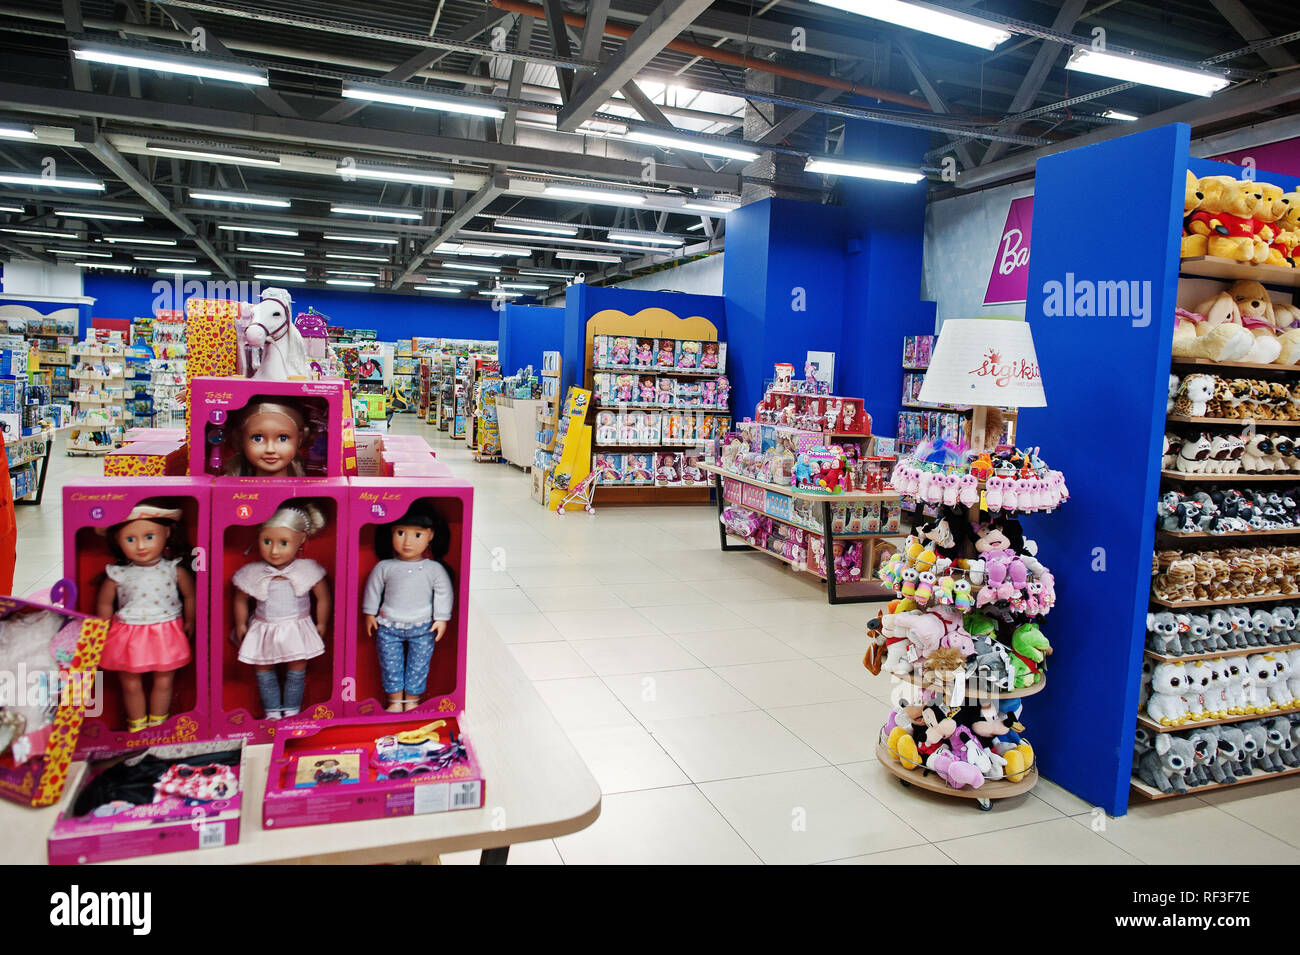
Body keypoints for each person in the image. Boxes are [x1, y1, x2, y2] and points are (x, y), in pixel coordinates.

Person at [95, 503, 195, 733]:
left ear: (166, 533)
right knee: (130, 683)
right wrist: (102, 628)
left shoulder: (173, 569)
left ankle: (158, 723)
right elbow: (104, 603)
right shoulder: (118, 573)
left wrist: (190, 620)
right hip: (128, 633)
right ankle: (137, 726)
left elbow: (190, 596)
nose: (140, 546)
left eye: (149, 536)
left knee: (164, 681)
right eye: (130, 539)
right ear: (117, 540)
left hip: (165, 630)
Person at [231, 502, 330, 719]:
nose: (274, 550)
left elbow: (322, 597)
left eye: (283, 543)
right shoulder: (253, 572)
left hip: (296, 625)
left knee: (297, 667)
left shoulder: (307, 570)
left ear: (301, 539)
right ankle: (272, 712)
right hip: (264, 626)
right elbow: (240, 599)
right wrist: (240, 623)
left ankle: (292, 710)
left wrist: (321, 622)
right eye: (267, 542)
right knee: (263, 668)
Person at [362, 502, 454, 712]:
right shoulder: (385, 567)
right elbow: (373, 589)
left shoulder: (434, 569)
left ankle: (412, 700)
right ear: (391, 533)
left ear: (430, 535)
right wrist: (369, 613)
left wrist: (441, 618)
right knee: (389, 665)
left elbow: (443, 593)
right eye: (401, 533)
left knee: (418, 666)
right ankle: (395, 700)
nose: (407, 542)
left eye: (417, 535)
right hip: (388, 625)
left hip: (422, 626)